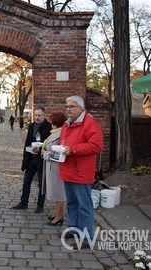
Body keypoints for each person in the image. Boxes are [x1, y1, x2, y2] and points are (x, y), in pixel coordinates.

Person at [59, 95, 103, 249]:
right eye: (67, 106)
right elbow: (62, 142)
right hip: (68, 169)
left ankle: (86, 238)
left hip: (82, 172)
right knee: (71, 203)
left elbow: (96, 146)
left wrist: (73, 150)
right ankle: (73, 228)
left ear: (81, 108)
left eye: (72, 106)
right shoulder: (67, 124)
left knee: (84, 206)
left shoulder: (90, 123)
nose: (68, 109)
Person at [12, 107, 51, 213]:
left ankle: (40, 205)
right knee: (26, 181)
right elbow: (27, 141)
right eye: (36, 115)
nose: (37, 117)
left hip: (41, 158)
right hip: (30, 158)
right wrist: (25, 155)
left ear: (44, 116)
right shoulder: (32, 125)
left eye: (39, 115)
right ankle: (23, 203)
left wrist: (41, 149)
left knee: (41, 183)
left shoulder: (49, 127)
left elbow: (49, 144)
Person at [41, 112, 68, 226]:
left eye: (52, 123)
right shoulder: (54, 133)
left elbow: (59, 155)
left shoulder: (61, 135)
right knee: (56, 192)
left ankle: (59, 216)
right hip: (52, 167)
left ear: (55, 124)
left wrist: (44, 153)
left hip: (57, 167)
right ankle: (56, 213)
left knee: (60, 193)